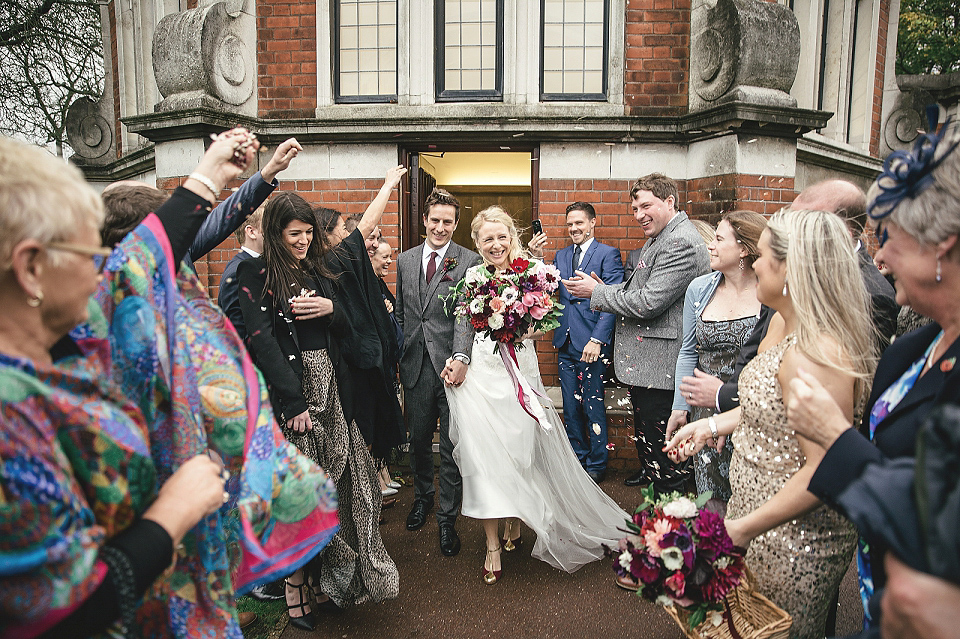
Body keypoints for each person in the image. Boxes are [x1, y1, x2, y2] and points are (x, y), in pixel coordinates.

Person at [0, 132, 338, 638]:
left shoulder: (69, 342)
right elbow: (64, 610)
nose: (105, 271)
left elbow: (145, 260)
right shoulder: (9, 418)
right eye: (90, 252)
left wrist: (214, 176)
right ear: (30, 269)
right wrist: (172, 513)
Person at [665, 208, 877, 639]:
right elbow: (769, 404)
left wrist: (743, 528)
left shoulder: (821, 351)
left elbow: (826, 465)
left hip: (793, 535)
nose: (755, 264)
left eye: (762, 255)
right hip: (754, 509)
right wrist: (711, 427)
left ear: (792, 265)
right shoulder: (781, 321)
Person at [783, 124, 960, 630]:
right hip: (877, 591)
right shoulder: (910, 349)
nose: (876, 257)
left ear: (941, 245)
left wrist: (835, 438)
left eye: (889, 239)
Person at [237, 191, 399, 628]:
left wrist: (332, 310)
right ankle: (294, 587)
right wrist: (291, 403)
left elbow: (346, 331)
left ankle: (335, 580)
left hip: (333, 395)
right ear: (275, 233)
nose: (305, 241)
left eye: (309, 232)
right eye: (295, 234)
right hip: (295, 401)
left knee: (347, 491)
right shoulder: (258, 274)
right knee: (301, 498)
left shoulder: (316, 269)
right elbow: (261, 343)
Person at [445, 205, 630, 583]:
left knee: (519, 455)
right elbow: (463, 323)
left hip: (520, 374)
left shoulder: (531, 272)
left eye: (502, 237)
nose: (496, 245)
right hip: (482, 376)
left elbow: (546, 318)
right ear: (477, 243)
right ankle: (492, 543)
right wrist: (460, 357)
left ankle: (514, 517)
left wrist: (526, 330)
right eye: (487, 239)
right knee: (485, 462)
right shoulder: (472, 276)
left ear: (512, 237)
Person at [679, 179, 898, 417]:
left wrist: (724, 399)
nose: (757, 264)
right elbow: (752, 357)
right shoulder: (778, 303)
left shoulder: (871, 296)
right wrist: (718, 420)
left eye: (801, 222)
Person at [563, 173, 710, 493]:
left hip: (663, 372)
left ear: (669, 201)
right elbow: (641, 290)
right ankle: (661, 528)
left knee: (668, 465)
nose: (639, 214)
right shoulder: (662, 236)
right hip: (650, 370)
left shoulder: (680, 241)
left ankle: (671, 533)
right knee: (655, 457)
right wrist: (608, 290)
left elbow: (649, 303)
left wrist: (597, 294)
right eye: (634, 208)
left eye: (646, 206)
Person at [394, 187, 482, 557]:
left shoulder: (469, 260)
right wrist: (398, 357)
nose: (441, 227)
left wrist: (461, 357)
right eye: (435, 221)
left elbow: (468, 314)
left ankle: (447, 518)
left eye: (448, 222)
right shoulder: (405, 260)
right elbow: (401, 312)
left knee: (449, 446)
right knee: (417, 442)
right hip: (414, 365)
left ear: (456, 223)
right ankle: (423, 499)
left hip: (452, 368)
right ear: (424, 221)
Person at [667, 211, 766, 504]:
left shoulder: (768, 291)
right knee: (712, 498)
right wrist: (679, 406)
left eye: (719, 240)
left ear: (743, 249)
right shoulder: (699, 289)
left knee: (749, 497)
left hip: (749, 411)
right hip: (705, 413)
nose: (710, 245)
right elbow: (688, 350)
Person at [551, 202, 624, 483]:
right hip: (566, 341)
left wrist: (597, 339)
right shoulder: (561, 255)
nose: (573, 229)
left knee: (592, 404)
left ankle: (596, 463)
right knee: (570, 405)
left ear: (593, 223)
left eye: (579, 223)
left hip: (592, 343)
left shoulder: (608, 254)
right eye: (570, 224)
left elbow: (613, 299)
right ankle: (578, 459)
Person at [371, 240, 403, 498]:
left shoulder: (379, 283)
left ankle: (384, 473)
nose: (389, 261)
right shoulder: (368, 284)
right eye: (384, 256)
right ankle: (377, 478)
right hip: (376, 364)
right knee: (378, 422)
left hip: (389, 362)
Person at [217, 205, 264, 340]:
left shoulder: (257, 264)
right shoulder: (237, 271)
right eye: (270, 226)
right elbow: (239, 333)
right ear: (251, 232)